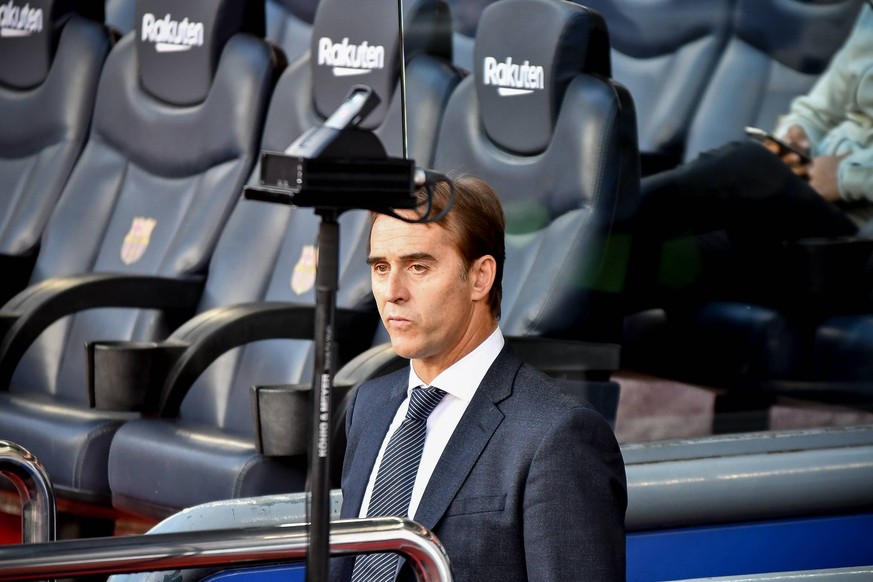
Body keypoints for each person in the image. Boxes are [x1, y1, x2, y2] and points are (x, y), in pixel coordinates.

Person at [331, 177, 627, 582]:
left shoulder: (559, 435)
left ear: (480, 277)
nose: (391, 291)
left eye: (418, 266)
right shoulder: (369, 405)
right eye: (381, 267)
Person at [625, 3, 873, 309]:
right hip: (808, 205)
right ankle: (572, 250)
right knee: (641, 258)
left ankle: (587, 218)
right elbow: (821, 108)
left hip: (857, 236)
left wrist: (846, 177)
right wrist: (797, 133)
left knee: (751, 167)